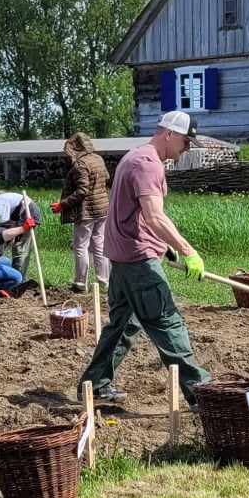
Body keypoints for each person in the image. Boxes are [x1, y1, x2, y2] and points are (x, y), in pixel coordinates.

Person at [77, 111, 211, 403]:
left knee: (123, 324)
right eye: (186, 142)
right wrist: (189, 252)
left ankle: (95, 385)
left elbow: (134, 215)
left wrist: (167, 247)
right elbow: (154, 216)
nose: (186, 148)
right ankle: (202, 394)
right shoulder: (148, 165)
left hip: (123, 258)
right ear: (169, 134)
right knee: (167, 322)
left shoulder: (134, 157)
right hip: (138, 262)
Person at [55, 132, 110, 293]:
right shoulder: (98, 159)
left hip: (86, 212)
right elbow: (106, 177)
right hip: (103, 208)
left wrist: (62, 205)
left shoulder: (81, 165)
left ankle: (80, 283)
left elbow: (82, 191)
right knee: (99, 245)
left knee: (81, 246)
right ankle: (103, 282)